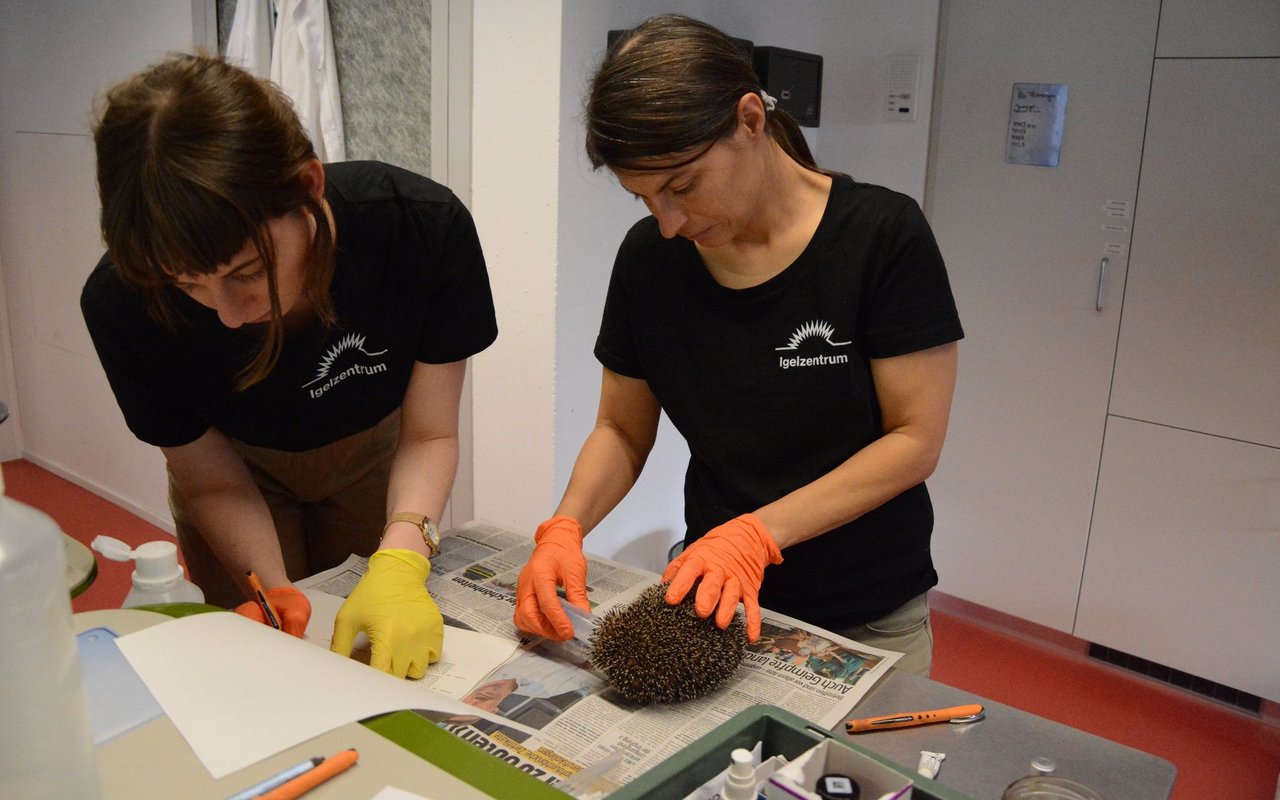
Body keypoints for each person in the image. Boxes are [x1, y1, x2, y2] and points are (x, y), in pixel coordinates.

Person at [514, 15, 962, 676]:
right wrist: (566, 527)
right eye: (643, 199)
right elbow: (620, 428)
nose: (668, 224)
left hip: (866, 611)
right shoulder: (650, 261)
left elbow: (913, 440)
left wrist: (758, 534)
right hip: (712, 603)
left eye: (682, 187)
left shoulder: (880, 237)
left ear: (749, 119)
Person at [81, 54, 497, 679]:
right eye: (187, 286)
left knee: (372, 659)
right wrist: (272, 589)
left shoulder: (417, 228)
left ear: (308, 186)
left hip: (375, 459)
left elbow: (431, 432)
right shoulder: (122, 301)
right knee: (263, 667)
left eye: (246, 273)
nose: (225, 314)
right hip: (235, 472)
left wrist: (404, 556)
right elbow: (211, 480)